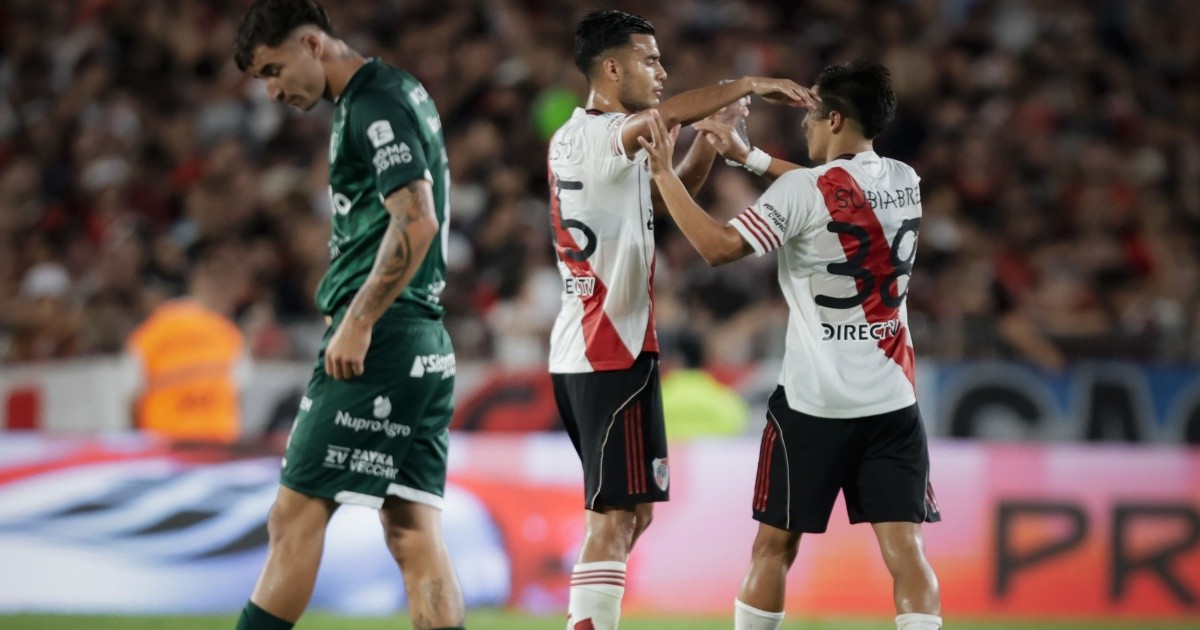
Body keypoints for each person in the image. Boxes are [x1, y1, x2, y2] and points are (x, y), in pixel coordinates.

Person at [637, 59, 943, 630]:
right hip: (892, 405)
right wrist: (748, 158)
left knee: (773, 551)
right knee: (907, 555)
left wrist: (664, 175)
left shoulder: (806, 189)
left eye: (808, 116)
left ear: (832, 118)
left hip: (813, 408)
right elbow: (833, 194)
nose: (802, 128)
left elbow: (718, 247)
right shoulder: (905, 180)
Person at [547, 9, 818, 630]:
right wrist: (746, 83)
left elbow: (665, 201)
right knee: (614, 515)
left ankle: (585, 613)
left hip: (604, 348)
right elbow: (663, 118)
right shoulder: (594, 133)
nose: (663, 72)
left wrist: (707, 142)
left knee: (632, 513)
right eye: (650, 59)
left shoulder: (596, 142)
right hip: (606, 347)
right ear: (610, 68)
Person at [232, 1, 464, 629]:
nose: (274, 91)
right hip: (423, 339)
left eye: (274, 70)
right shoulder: (396, 89)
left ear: (313, 43)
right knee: (413, 533)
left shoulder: (372, 101)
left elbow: (416, 218)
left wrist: (358, 320)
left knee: (294, 517)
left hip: (380, 339)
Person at [125, 236, 250, 444]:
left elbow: (129, 397)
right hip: (204, 452)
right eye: (218, 277)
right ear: (198, 278)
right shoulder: (228, 335)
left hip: (175, 449)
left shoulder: (154, 329)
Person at [660, 332, 749, 440]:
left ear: (675, 360)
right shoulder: (728, 402)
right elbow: (737, 426)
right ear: (705, 359)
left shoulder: (654, 401)